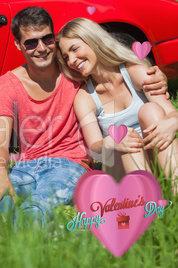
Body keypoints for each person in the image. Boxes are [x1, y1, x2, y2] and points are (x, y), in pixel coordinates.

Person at [0, 7, 169, 230]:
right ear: (18, 44)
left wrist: (156, 78)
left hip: (69, 164)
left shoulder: (74, 72)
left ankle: (17, 243)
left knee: (38, 205)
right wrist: (0, 174)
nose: (41, 49)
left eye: (47, 39)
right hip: (26, 167)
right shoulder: (7, 85)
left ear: (54, 38)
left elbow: (109, 68)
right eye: (31, 42)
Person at [57, 18, 177, 193]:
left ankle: (175, 190)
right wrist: (109, 143)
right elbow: (94, 147)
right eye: (66, 57)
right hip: (122, 168)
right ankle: (146, 202)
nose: (72, 61)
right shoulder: (85, 97)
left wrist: (170, 125)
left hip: (156, 155)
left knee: (151, 110)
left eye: (75, 49)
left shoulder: (135, 71)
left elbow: (172, 114)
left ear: (93, 41)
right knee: (123, 134)